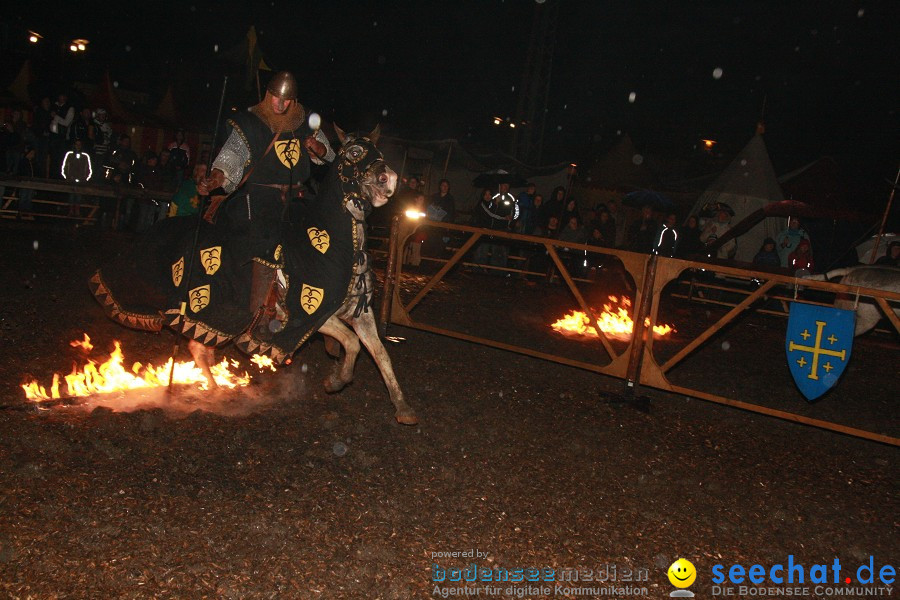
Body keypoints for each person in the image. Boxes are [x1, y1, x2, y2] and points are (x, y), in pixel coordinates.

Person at [197, 71, 334, 333]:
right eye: (276, 98)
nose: (280, 106)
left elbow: (328, 155)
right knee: (267, 242)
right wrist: (215, 179)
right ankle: (259, 313)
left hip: (298, 197)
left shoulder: (305, 121)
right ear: (267, 94)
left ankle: (314, 307)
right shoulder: (250, 123)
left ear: (293, 101)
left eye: (286, 101)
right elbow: (231, 158)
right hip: (262, 196)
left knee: (320, 240)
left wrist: (319, 150)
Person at [61, 138, 93, 217]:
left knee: (79, 196)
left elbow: (89, 169)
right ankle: (71, 211)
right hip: (71, 180)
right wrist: (67, 177)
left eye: (79, 144)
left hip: (81, 181)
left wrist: (85, 178)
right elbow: (64, 167)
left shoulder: (85, 156)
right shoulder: (69, 154)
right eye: (76, 144)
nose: (78, 146)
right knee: (71, 196)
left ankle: (77, 211)